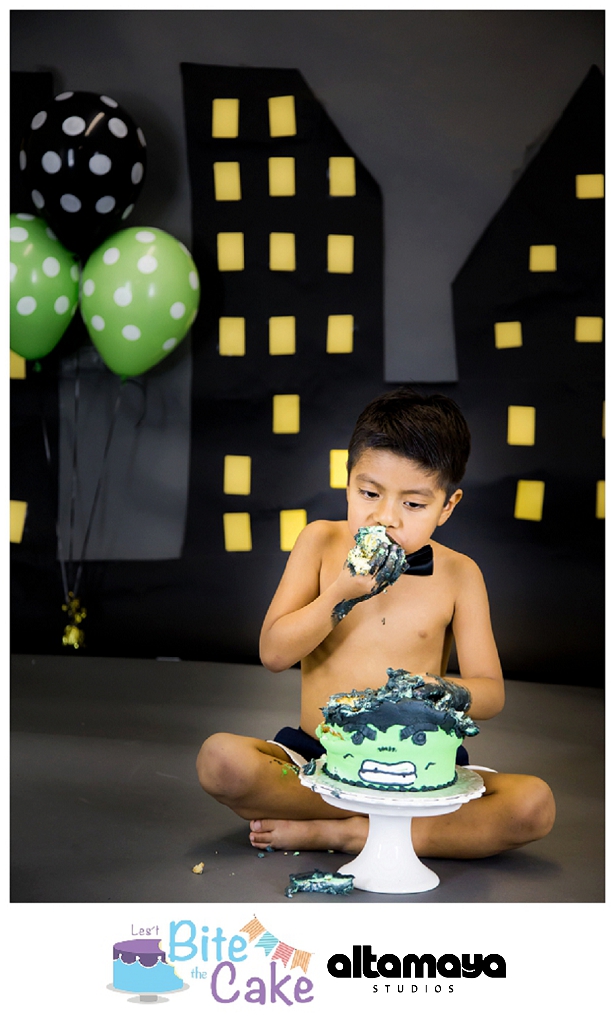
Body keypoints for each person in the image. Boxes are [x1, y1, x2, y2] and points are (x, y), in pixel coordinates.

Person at [196, 388, 555, 858]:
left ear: (447, 506)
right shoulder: (320, 542)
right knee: (221, 761)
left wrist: (439, 690)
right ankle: (391, 830)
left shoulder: (460, 574)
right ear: (347, 482)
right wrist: (339, 594)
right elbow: (274, 654)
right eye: (369, 493)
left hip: (419, 768)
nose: (386, 518)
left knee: (533, 805)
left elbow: (491, 693)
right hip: (320, 759)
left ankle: (345, 834)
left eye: (413, 504)